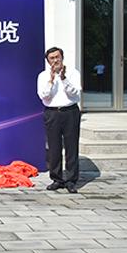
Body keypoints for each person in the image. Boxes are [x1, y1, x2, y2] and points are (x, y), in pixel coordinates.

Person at [37, 47, 82, 194]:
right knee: (54, 147)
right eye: (52, 58)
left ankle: (71, 180)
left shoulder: (73, 73)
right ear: (48, 61)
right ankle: (57, 179)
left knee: (71, 147)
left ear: (62, 57)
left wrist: (63, 78)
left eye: (57, 57)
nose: (55, 60)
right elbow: (44, 95)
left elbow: (75, 94)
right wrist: (51, 80)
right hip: (52, 113)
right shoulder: (43, 76)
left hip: (70, 112)